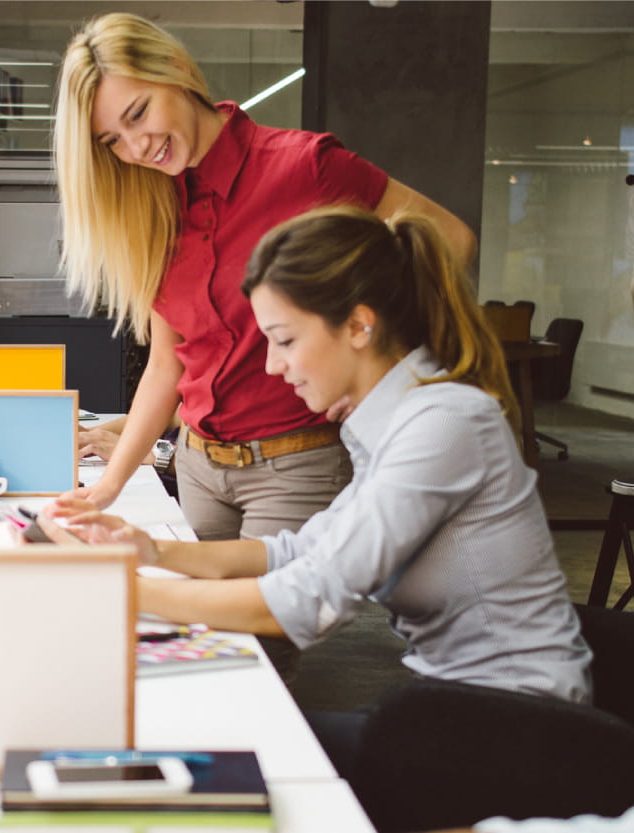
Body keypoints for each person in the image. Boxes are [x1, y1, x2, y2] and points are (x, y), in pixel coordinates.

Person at [37, 205, 592, 772]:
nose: (274, 367)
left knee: (217, 753)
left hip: (517, 736)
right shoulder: (389, 417)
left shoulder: (442, 425)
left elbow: (310, 601)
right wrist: (154, 552)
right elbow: (298, 551)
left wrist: (126, 590)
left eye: (284, 340)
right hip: (455, 708)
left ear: (358, 326)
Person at [54, 13, 477, 542]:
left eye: (138, 114)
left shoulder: (303, 168)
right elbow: (166, 365)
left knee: (264, 619)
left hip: (295, 468)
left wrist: (364, 343)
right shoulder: (155, 212)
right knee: (200, 620)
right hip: (198, 470)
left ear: (178, 70)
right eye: (112, 140)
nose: (137, 148)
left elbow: (451, 240)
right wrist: (108, 487)